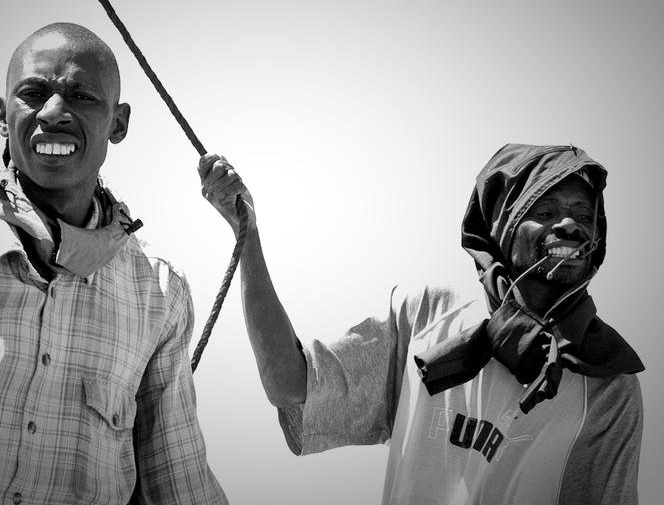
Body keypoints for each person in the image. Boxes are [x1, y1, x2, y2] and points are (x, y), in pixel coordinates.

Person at [0, 23, 227, 505]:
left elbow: (179, 487)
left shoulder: (159, 296)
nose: (54, 113)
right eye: (34, 93)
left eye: (82, 97)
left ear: (118, 124)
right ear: (1, 115)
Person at [199, 143, 645, 504]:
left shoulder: (608, 382)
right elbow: (288, 382)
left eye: (584, 215)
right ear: (505, 225)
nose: (569, 224)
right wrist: (248, 235)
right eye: (545, 212)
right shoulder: (428, 315)